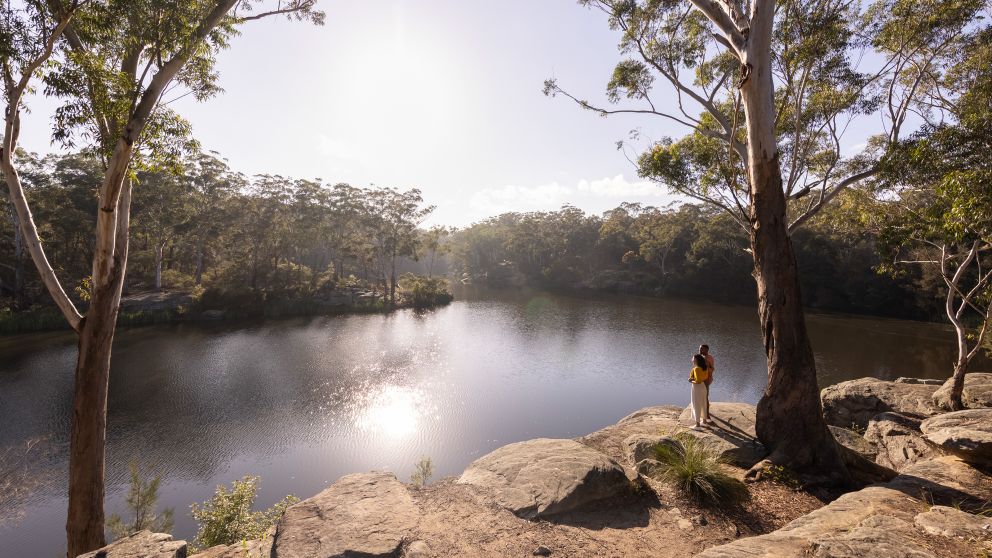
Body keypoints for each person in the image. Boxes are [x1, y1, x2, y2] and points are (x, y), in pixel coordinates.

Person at [688, 353, 710, 429]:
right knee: (703, 403)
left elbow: (698, 381)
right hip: (703, 387)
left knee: (696, 405)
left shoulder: (697, 369)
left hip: (697, 388)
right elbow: (704, 378)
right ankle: (704, 422)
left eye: (693, 358)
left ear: (696, 360)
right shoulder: (705, 367)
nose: (692, 360)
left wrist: (691, 381)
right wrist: (695, 379)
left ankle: (697, 425)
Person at [700, 344, 715, 425]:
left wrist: (706, 366)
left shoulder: (709, 358)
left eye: (702, 349)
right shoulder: (699, 357)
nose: (700, 350)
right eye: (699, 348)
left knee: (705, 397)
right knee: (701, 397)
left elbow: (712, 369)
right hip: (699, 380)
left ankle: (707, 415)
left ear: (706, 350)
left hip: (706, 380)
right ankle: (703, 413)